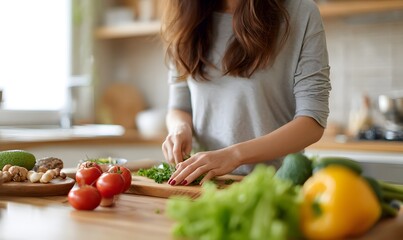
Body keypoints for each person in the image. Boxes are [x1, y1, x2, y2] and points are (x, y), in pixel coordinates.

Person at [160, 0, 331, 186]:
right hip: (205, 185)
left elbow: (312, 122)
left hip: (276, 185)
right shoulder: (185, 18)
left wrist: (234, 155)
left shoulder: (301, 12)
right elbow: (179, 106)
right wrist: (180, 128)